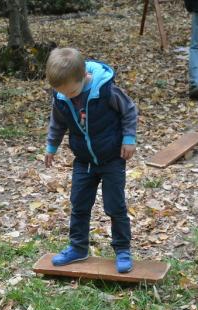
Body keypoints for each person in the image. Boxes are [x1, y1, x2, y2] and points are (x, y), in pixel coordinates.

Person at [44, 48, 138, 273]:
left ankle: (122, 249)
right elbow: (57, 123)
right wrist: (51, 146)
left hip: (112, 158)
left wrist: (129, 138)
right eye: (63, 93)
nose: (70, 97)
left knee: (115, 206)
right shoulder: (62, 96)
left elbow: (129, 111)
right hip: (83, 160)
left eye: (73, 92)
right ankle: (78, 247)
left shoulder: (106, 91)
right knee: (79, 204)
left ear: (84, 76)